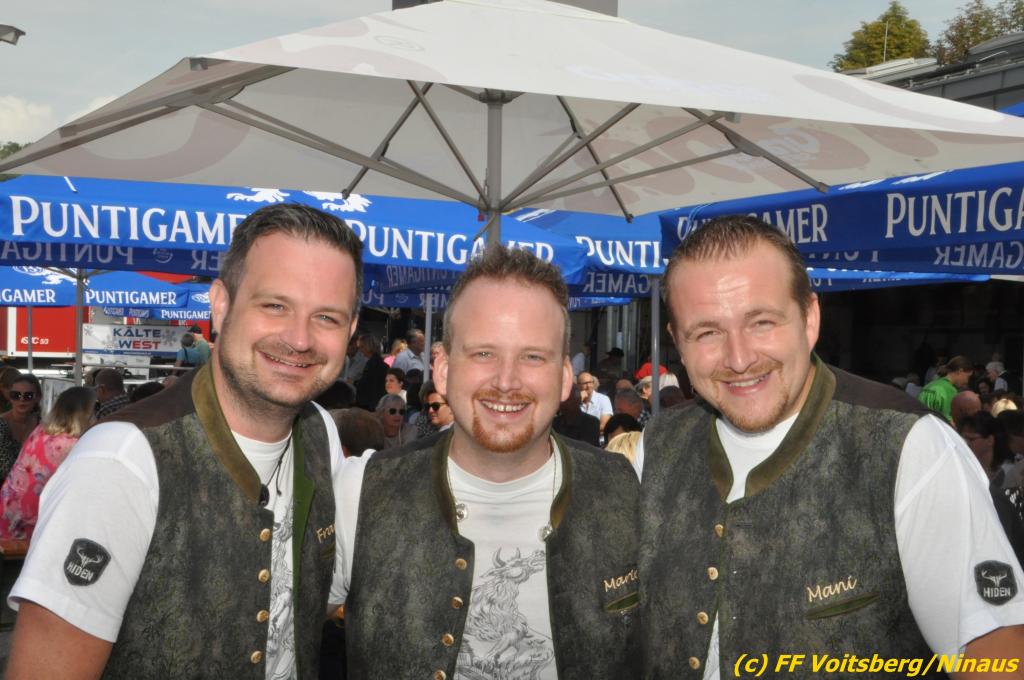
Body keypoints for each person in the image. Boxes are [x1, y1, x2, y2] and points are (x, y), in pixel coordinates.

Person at [639, 215, 1024, 679]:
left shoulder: (909, 447)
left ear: (810, 318)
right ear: (677, 343)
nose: (739, 358)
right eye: (707, 332)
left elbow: (997, 654)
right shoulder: (655, 448)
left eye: (762, 322)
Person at [6, 203, 363, 679]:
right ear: (221, 304)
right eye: (275, 305)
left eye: (327, 317)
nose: (299, 339)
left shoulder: (319, 431)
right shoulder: (120, 462)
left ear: (351, 331)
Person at [338, 245, 639, 679]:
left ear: (564, 379)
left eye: (532, 356)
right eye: (483, 353)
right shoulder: (361, 493)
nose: (506, 381)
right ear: (443, 370)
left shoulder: (630, 495)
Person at [0, 387, 95, 541]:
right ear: (85, 413)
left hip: (8, 512)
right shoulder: (70, 445)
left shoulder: (42, 430)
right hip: (26, 527)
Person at [0, 374, 42, 483]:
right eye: (16, 395)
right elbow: (5, 469)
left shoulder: (41, 425)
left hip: (33, 486)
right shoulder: (1, 425)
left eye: (28, 396)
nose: (22, 400)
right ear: (10, 398)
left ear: (38, 397)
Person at [916, 355, 973, 423]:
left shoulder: (928, 386)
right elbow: (949, 423)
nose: (967, 381)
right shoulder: (949, 391)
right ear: (960, 371)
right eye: (968, 377)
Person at [353, 333, 389, 412]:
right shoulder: (376, 363)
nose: (360, 350)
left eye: (362, 347)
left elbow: (368, 385)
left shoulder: (373, 365)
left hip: (370, 405)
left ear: (368, 347)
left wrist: (356, 383)